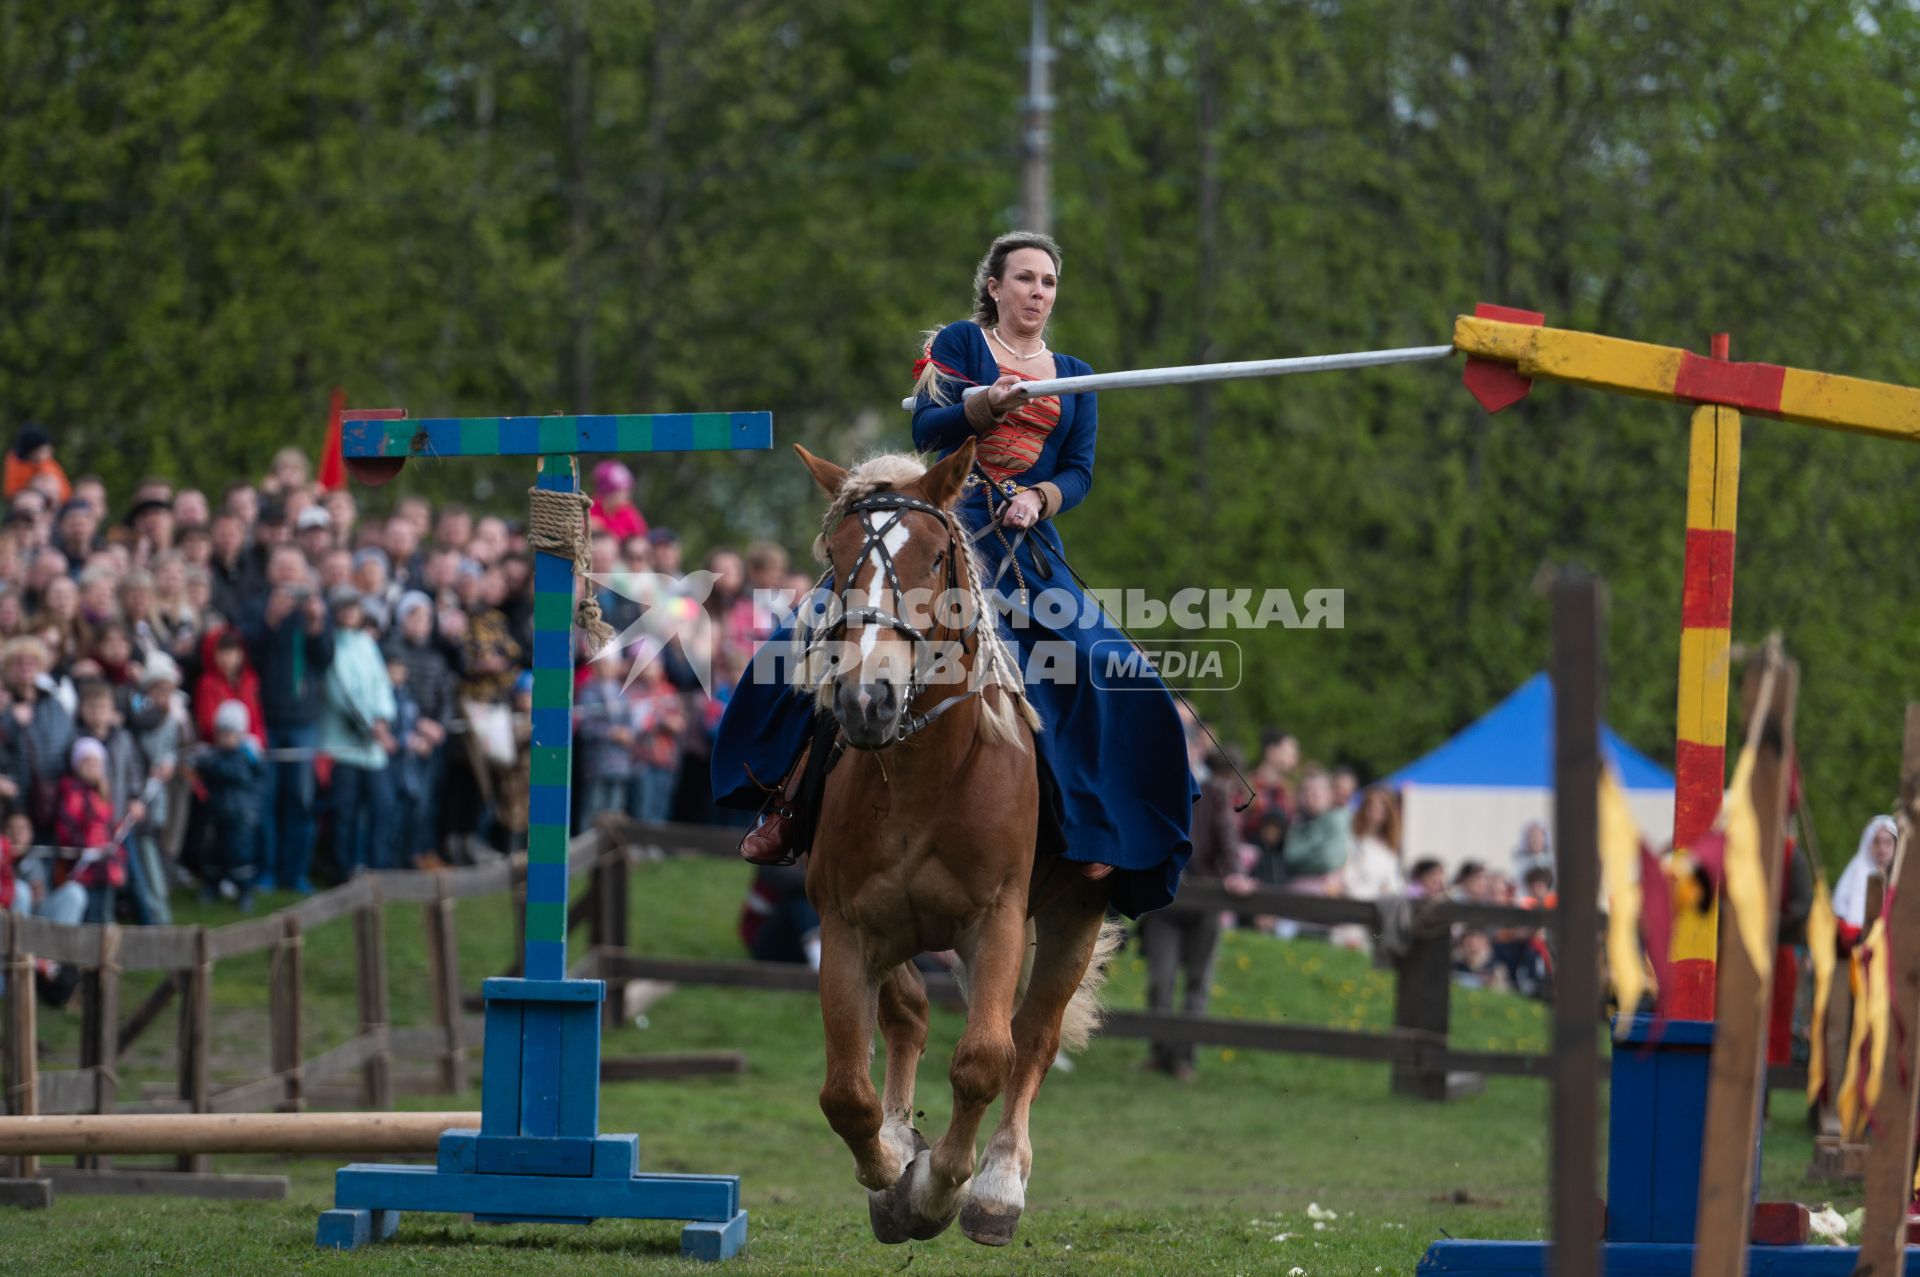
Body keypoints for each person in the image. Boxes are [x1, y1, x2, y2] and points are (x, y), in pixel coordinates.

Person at [713, 231, 1196, 918]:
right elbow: (929, 433)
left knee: (1103, 661)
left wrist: (1041, 496)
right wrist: (984, 406)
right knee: (811, 633)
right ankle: (790, 804)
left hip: (1026, 547)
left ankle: (1100, 823)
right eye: (1024, 278)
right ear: (993, 287)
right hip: (935, 529)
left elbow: (1079, 470)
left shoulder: (1077, 371)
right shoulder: (963, 347)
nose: (1038, 292)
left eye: (1048, 282)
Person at [1140, 744, 1254, 1080]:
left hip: (1204, 898)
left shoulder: (1214, 792)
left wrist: (1234, 871)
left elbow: (1227, 834)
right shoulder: (1159, 784)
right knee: (1161, 980)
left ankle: (1183, 1058)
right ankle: (1161, 1053)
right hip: (1166, 899)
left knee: (1197, 982)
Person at [246, 546, 335, 893]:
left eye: (292, 566)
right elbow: (248, 655)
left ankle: (296, 871)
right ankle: (265, 869)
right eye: (280, 565)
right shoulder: (257, 606)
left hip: (303, 719)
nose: (286, 572)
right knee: (266, 798)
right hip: (266, 716)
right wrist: (269, 621)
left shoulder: (312, 606)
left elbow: (325, 659)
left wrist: (316, 624)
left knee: (300, 798)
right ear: (270, 572)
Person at [319, 587, 396, 877]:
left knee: (382, 805)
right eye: (344, 608)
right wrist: (371, 725)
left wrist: (383, 718)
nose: (350, 613)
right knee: (344, 812)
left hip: (373, 745)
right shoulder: (332, 644)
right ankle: (342, 870)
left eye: (354, 608)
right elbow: (339, 691)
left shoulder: (367, 642)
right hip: (344, 745)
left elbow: (382, 684)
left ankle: (379, 868)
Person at [194, 700, 265, 906]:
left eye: (229, 734)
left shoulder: (246, 757)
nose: (224, 739)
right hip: (216, 814)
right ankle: (211, 885)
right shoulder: (214, 754)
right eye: (220, 734)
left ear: (241, 735)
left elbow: (233, 773)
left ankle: (245, 891)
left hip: (241, 815)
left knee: (240, 853)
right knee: (213, 853)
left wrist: (208, 762)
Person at [1833, 814, 1898, 944]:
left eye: (1887, 842)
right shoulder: (1859, 873)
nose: (1882, 848)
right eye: (1877, 841)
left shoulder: (1899, 877)